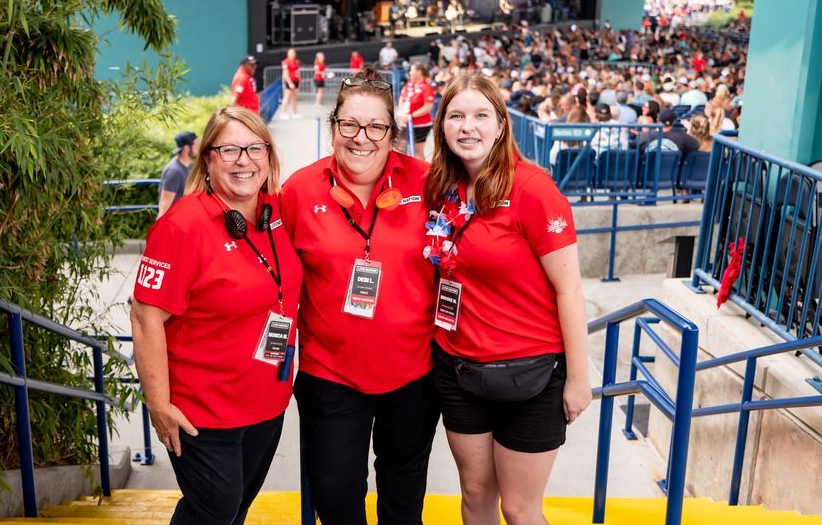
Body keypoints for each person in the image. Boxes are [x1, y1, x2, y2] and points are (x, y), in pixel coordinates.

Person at [423, 74, 591, 525]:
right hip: (459, 369)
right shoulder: (443, 189)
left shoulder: (534, 191)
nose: (468, 126)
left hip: (531, 376)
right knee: (475, 495)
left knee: (518, 509)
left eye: (481, 115)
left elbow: (569, 289)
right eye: (456, 116)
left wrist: (578, 379)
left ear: (501, 125)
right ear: (442, 127)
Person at [280, 67, 440, 525]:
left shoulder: (427, 183)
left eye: (376, 127)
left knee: (403, 499)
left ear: (393, 133)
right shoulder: (299, 191)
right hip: (330, 376)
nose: (361, 138)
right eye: (350, 124)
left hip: (413, 376)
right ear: (333, 128)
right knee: (335, 497)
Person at [131, 107, 302, 525]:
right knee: (215, 510)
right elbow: (144, 316)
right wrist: (158, 404)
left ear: (269, 156)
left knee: (236, 507)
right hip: (202, 412)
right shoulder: (181, 227)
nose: (243, 160)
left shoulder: (274, 213)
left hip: (266, 404)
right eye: (229, 149)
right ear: (207, 158)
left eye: (254, 148)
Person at [399, 62, 436, 159]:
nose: (410, 72)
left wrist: (412, 115)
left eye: (412, 70)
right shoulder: (409, 85)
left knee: (417, 150)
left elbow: (428, 107)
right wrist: (404, 112)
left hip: (421, 124)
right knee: (401, 147)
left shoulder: (426, 87)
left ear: (419, 72)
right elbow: (402, 99)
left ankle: (420, 172)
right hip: (406, 122)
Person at [158, 131, 199, 218]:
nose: (198, 147)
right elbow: (164, 206)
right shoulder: (174, 171)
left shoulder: (187, 167)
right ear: (187, 148)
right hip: (173, 225)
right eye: (196, 145)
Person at [280, 48, 301, 119]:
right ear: (288, 54)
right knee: (287, 97)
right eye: (290, 53)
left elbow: (298, 71)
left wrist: (300, 81)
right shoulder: (285, 62)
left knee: (294, 97)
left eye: (293, 53)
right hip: (289, 82)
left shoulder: (296, 61)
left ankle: (295, 113)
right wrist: (290, 83)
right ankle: (283, 113)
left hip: (296, 81)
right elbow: (285, 74)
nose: (292, 54)